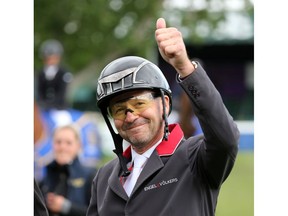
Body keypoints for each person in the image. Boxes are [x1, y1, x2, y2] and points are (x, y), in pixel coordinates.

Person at [86, 18, 239, 216]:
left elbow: (226, 139)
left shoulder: (194, 158)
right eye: (119, 109)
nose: (130, 116)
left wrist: (184, 67)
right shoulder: (104, 177)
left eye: (139, 103)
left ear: (165, 104)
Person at [39, 124, 96, 216]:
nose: (62, 147)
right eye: (58, 142)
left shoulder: (91, 175)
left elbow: (98, 212)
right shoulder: (44, 177)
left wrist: (65, 207)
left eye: (68, 143)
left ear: (78, 146)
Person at [36, 39, 73, 110]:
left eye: (54, 58)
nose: (51, 61)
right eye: (48, 58)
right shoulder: (41, 73)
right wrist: (41, 104)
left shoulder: (64, 73)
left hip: (60, 108)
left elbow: (62, 92)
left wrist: (50, 105)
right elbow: (39, 91)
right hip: (43, 108)